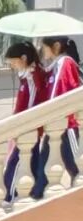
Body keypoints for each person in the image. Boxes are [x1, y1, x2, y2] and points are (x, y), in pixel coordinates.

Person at [2, 41, 49, 203]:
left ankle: (10, 196)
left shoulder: (34, 75)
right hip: (26, 127)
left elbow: (35, 101)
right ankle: (37, 192)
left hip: (29, 128)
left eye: (14, 62)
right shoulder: (26, 76)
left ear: (24, 58)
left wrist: (20, 124)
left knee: (15, 165)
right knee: (33, 162)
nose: (13, 66)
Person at [39, 36, 81, 193]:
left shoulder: (65, 62)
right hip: (57, 125)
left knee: (74, 164)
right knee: (43, 165)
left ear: (55, 46)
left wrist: (47, 115)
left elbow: (59, 90)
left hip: (67, 124)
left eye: (44, 47)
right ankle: (37, 195)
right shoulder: (55, 65)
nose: (42, 50)